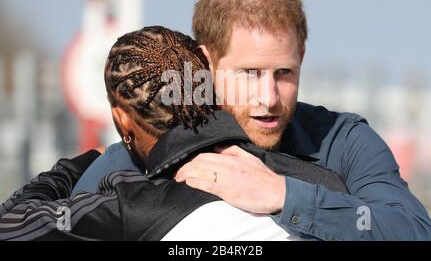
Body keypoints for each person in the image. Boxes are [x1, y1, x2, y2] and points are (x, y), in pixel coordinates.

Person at [0, 26, 347, 241]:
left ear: (122, 119)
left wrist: (79, 165)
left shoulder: (128, 201)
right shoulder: (323, 185)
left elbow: (10, 224)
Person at [169, 0, 431, 240]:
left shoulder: (343, 141)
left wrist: (282, 193)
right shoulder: (157, 143)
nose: (269, 98)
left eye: (284, 72)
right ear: (207, 62)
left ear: (301, 57)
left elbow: (414, 232)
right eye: (250, 73)